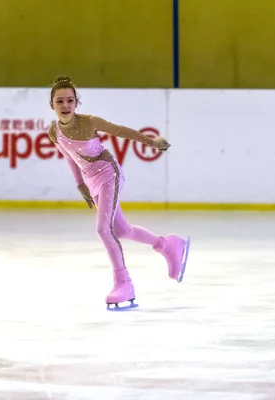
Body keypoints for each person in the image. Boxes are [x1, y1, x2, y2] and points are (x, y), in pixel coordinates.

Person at [47, 75, 190, 310]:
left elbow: (121, 131)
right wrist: (80, 184)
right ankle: (168, 245)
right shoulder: (54, 132)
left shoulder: (89, 122)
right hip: (92, 181)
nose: (65, 106)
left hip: (108, 174)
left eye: (70, 101)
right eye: (60, 101)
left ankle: (124, 283)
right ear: (52, 105)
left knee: (104, 229)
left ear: (76, 103)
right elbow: (69, 156)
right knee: (121, 229)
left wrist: (151, 143)